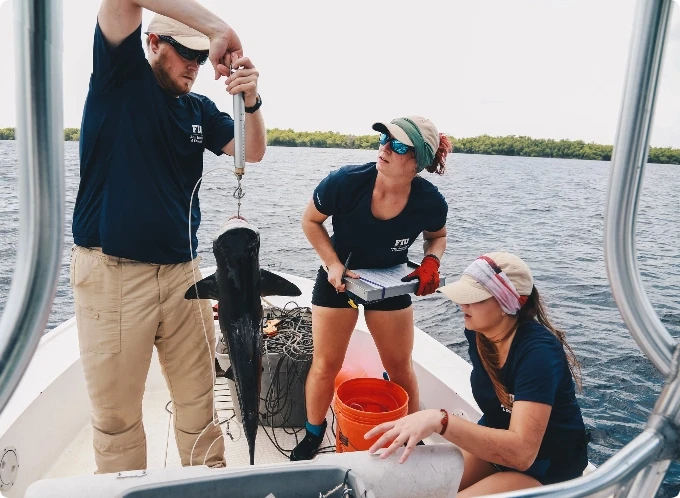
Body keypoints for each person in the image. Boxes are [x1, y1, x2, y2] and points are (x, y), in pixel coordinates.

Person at [70, 0, 266, 473]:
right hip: (114, 276)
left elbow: (252, 150)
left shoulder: (199, 109)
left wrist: (250, 99)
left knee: (200, 403)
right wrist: (219, 27)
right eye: (186, 53)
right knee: (117, 416)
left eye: (202, 57)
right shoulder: (119, 79)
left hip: (184, 275)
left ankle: (206, 483)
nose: (195, 66)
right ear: (152, 44)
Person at [290, 116, 451, 461]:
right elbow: (311, 221)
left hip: (390, 283)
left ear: (417, 162)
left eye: (397, 146)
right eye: (383, 140)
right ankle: (313, 433)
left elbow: (436, 237)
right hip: (339, 279)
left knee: (400, 366)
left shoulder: (430, 201)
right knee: (325, 364)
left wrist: (431, 262)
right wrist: (332, 263)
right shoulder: (346, 183)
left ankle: (413, 431)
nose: (384, 149)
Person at [365, 252, 589, 496]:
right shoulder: (479, 333)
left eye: (474, 298)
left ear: (508, 303)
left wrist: (441, 421)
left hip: (547, 469)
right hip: (495, 448)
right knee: (412, 490)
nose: (463, 305)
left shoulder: (539, 354)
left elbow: (523, 454)